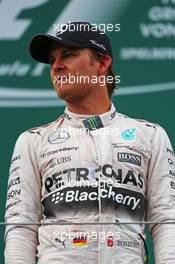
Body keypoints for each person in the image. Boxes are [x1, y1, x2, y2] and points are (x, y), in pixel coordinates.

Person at [4, 21, 175, 264]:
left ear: (103, 64)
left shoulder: (150, 135)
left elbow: (166, 220)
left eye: (69, 55)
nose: (56, 67)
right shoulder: (33, 141)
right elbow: (21, 227)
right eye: (52, 60)